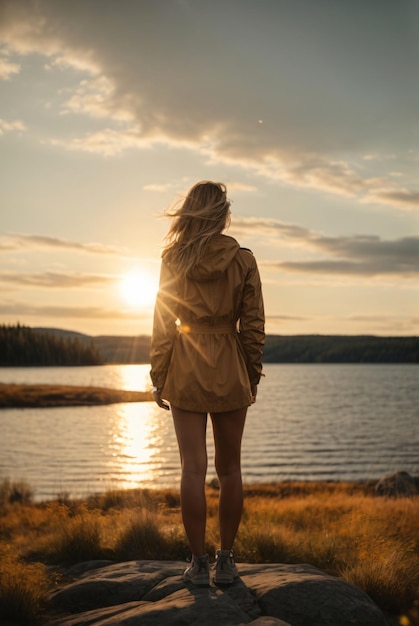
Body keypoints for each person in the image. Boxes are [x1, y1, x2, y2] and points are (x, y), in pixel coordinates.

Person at [150, 180, 265, 586]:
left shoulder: (173, 260)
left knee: (192, 470)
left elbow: (164, 325)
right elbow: (253, 327)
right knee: (230, 471)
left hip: (186, 365)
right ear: (222, 214)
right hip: (230, 365)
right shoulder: (244, 260)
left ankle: (199, 563)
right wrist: (250, 375)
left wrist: (158, 375)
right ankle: (227, 562)